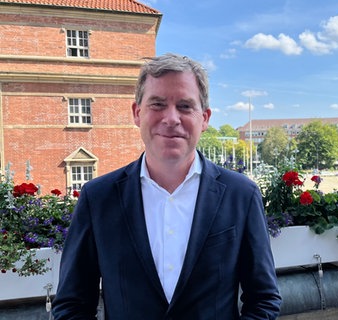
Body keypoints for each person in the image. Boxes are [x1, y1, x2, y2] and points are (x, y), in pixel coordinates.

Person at [52, 53, 282, 319]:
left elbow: (264, 299)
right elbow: (72, 305)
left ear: (204, 118)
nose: (171, 118)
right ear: (137, 113)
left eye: (185, 106)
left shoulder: (240, 195)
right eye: (158, 104)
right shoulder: (98, 198)